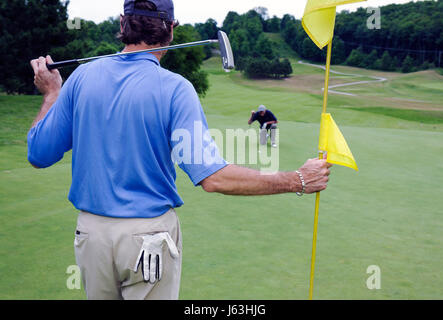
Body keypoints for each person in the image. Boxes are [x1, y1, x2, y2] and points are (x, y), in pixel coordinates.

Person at [28, 0, 332, 300]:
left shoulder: (81, 77)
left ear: (123, 22)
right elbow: (213, 178)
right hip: (148, 238)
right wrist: (297, 180)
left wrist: (53, 93)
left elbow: (39, 153)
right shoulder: (175, 88)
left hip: (90, 235)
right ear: (171, 29)